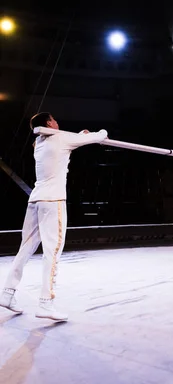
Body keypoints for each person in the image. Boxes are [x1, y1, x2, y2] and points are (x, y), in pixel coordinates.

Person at [0, 113, 108, 321]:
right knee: (53, 251)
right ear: (49, 123)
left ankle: (7, 293)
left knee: (26, 248)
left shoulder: (38, 143)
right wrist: (99, 133)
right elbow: (99, 136)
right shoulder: (60, 138)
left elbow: (62, 146)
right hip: (53, 201)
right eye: (54, 120)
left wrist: (78, 136)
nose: (57, 122)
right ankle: (45, 303)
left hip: (36, 200)